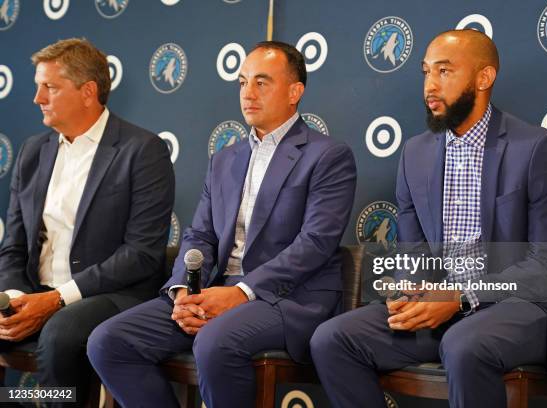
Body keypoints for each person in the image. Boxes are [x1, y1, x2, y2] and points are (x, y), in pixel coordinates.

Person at [310, 29, 547, 408]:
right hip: (443, 309)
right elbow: (415, 254)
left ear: (484, 78)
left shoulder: (536, 148)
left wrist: (461, 297)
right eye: (426, 72)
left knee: (464, 343)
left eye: (444, 71)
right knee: (332, 339)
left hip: (522, 308)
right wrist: (410, 292)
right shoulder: (415, 154)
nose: (430, 85)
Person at [87, 41, 357, 408]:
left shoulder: (327, 155)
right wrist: (183, 290)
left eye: (262, 82)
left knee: (215, 339)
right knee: (108, 341)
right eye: (243, 82)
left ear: (295, 92)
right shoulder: (224, 159)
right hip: (216, 292)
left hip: (289, 299)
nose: (248, 93)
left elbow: (315, 242)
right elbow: (199, 235)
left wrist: (242, 292)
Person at [0, 38, 175, 405]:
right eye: (37, 86)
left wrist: (56, 299)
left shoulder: (143, 151)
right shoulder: (33, 152)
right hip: (36, 289)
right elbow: (14, 246)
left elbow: (141, 254)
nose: (37, 98)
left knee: (62, 334)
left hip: (111, 295)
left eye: (49, 87)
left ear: (88, 91)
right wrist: (14, 299)